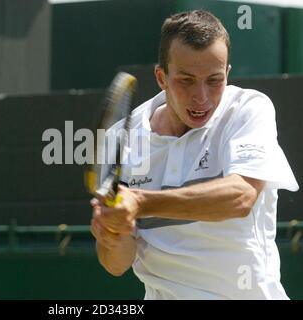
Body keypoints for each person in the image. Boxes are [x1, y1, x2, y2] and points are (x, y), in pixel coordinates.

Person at [90, 10, 299, 300]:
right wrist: (111, 234)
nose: (201, 96)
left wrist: (139, 202)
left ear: (227, 73)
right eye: (186, 80)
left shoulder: (249, 109)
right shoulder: (120, 139)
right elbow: (117, 264)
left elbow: (240, 198)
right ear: (161, 77)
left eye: (214, 80)